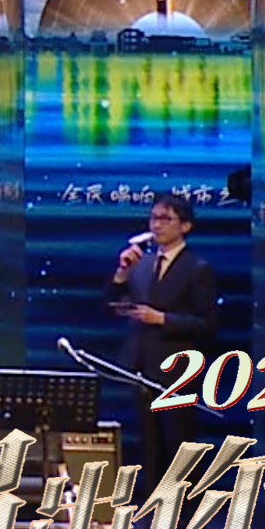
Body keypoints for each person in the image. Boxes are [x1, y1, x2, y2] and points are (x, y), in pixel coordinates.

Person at [108, 191, 219, 473]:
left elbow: (206, 325)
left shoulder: (197, 269)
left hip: (177, 372)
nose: (157, 225)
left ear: (185, 226)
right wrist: (121, 275)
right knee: (150, 450)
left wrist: (162, 319)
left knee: (178, 449)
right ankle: (153, 500)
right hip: (142, 368)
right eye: (154, 218)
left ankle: (182, 501)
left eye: (166, 219)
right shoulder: (142, 264)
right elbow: (111, 305)